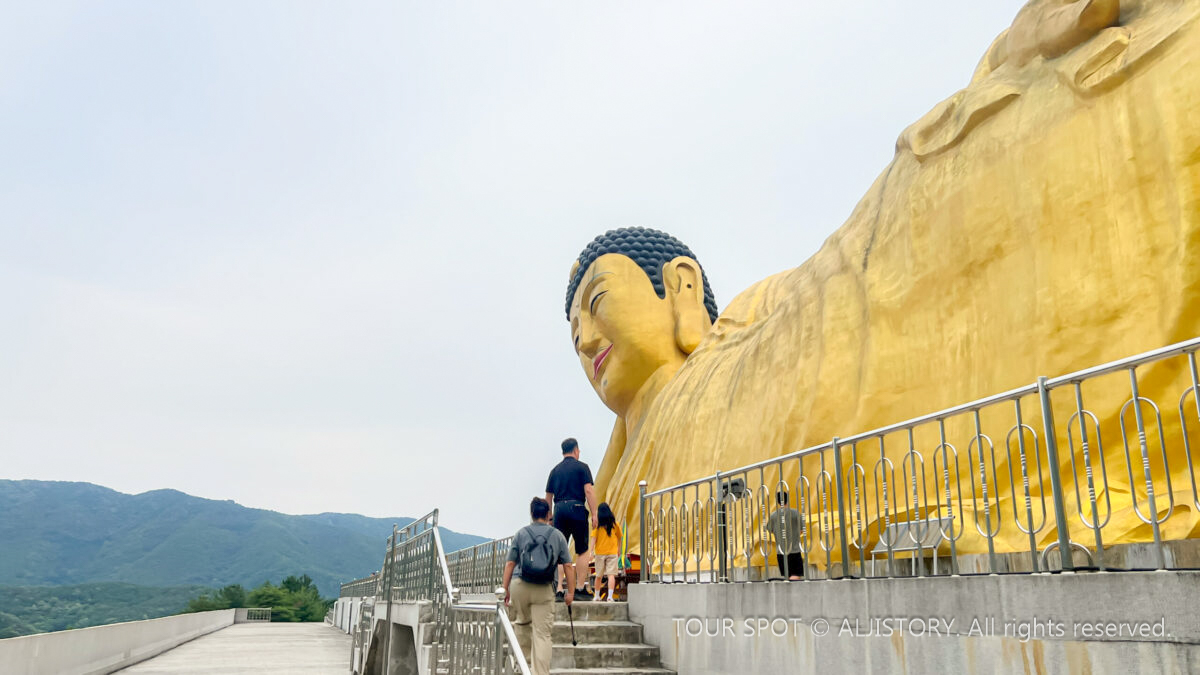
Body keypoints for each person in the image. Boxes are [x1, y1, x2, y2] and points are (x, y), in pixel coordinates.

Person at [502, 497, 573, 675]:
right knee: (542, 635)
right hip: (544, 587)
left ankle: (523, 667)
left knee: (522, 624)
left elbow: (510, 564)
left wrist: (505, 589)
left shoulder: (521, 533)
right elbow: (568, 566)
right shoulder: (557, 535)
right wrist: (570, 592)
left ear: (531, 514)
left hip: (520, 585)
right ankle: (539, 672)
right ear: (548, 514)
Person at [545, 437, 598, 600]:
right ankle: (580, 587)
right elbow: (588, 491)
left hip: (559, 509)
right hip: (577, 507)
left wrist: (550, 518)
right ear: (575, 450)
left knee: (561, 551)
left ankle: (559, 589)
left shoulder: (554, 471)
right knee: (582, 550)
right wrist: (595, 513)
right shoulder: (582, 468)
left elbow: (548, 497)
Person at [766, 490, 805, 580]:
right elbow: (802, 530)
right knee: (795, 575)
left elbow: (770, 530)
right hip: (794, 550)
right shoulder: (795, 513)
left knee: (787, 576)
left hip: (781, 552)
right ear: (788, 499)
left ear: (778, 501)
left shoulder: (773, 516)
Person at [591, 503, 622, 601]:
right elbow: (620, 538)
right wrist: (619, 550)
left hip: (599, 553)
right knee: (611, 575)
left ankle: (596, 596)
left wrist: (591, 552)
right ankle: (610, 596)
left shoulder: (597, 526)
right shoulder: (615, 524)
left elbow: (593, 539)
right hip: (612, 553)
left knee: (598, 576)